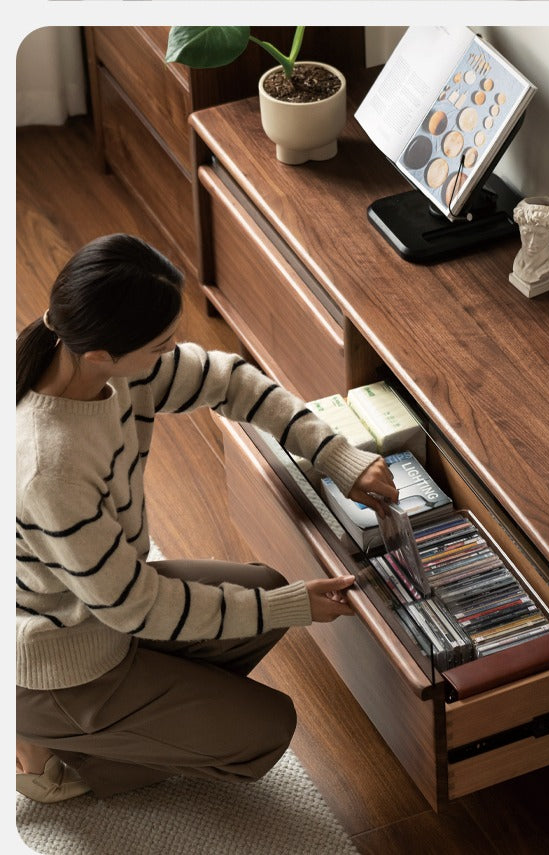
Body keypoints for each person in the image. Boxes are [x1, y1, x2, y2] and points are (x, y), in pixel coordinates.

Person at [16, 233, 398, 803]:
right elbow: (136, 607)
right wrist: (292, 605)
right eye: (162, 344)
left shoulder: (104, 366)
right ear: (103, 352)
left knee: (266, 593)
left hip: (104, 606)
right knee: (265, 731)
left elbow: (228, 379)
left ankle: (137, 713)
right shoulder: (51, 468)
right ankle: (51, 745)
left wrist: (334, 454)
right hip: (62, 663)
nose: (173, 353)